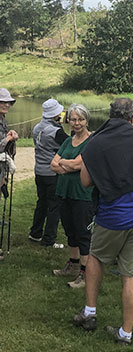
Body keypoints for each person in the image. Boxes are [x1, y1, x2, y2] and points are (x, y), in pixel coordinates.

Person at [63, 97, 133, 344]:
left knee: (94, 257)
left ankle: (90, 313)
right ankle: (125, 334)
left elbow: (85, 182)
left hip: (108, 217)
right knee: (130, 275)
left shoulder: (95, 142)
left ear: (110, 115)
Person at [50, 104, 94, 288]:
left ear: (86, 120)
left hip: (82, 193)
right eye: (73, 119)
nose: (77, 123)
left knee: (83, 232)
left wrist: (66, 165)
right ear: (68, 120)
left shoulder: (92, 141)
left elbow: (78, 164)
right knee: (70, 230)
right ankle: (73, 264)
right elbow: (53, 164)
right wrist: (68, 165)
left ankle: (85, 274)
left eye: (80, 119)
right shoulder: (69, 141)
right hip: (64, 192)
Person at [29, 98, 69, 247]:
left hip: (39, 170)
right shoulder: (56, 131)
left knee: (42, 203)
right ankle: (49, 239)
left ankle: (35, 232)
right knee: (54, 206)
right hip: (52, 172)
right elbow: (70, 144)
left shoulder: (37, 127)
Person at [0, 88, 18, 190]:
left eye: (9, 103)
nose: (7, 105)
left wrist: (11, 137)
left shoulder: (3, 119)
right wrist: (7, 139)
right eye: (3, 102)